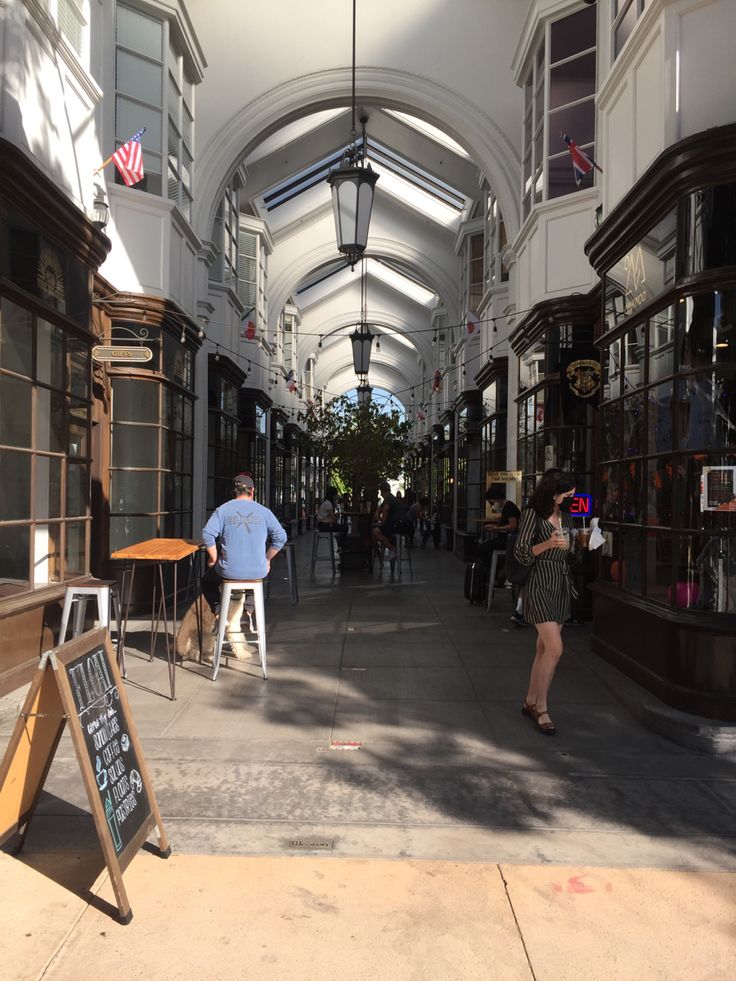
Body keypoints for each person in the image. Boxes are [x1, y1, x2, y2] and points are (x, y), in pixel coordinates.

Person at [513, 470, 577, 736]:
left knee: (543, 649)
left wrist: (575, 545)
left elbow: (570, 554)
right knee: (555, 648)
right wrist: (547, 544)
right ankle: (542, 708)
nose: (572, 498)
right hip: (539, 583)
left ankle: (529, 700)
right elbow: (521, 552)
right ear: (554, 492)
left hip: (561, 584)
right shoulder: (532, 515)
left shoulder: (567, 517)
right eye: (568, 494)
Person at [201, 472, 287, 617]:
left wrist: (213, 559)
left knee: (207, 582)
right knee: (255, 578)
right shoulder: (264, 512)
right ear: (252, 491)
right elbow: (281, 537)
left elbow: (207, 534)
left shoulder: (222, 510)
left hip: (229, 571)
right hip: (257, 571)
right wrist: (267, 559)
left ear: (233, 492)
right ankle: (248, 611)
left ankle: (219, 610)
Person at [475, 484, 520, 582]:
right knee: (482, 548)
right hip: (504, 538)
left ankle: (496, 570)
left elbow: (513, 526)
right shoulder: (506, 507)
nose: (492, 505)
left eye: (492, 502)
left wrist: (496, 528)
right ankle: (495, 570)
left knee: (480, 549)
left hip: (507, 540)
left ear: (498, 499)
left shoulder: (510, 507)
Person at [372, 481, 403, 560]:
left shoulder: (388, 498)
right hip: (399, 524)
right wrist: (379, 510)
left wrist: (382, 522)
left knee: (375, 532)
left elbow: (385, 509)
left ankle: (392, 548)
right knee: (376, 533)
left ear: (382, 491)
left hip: (396, 525)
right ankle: (380, 551)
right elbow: (379, 511)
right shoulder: (390, 498)